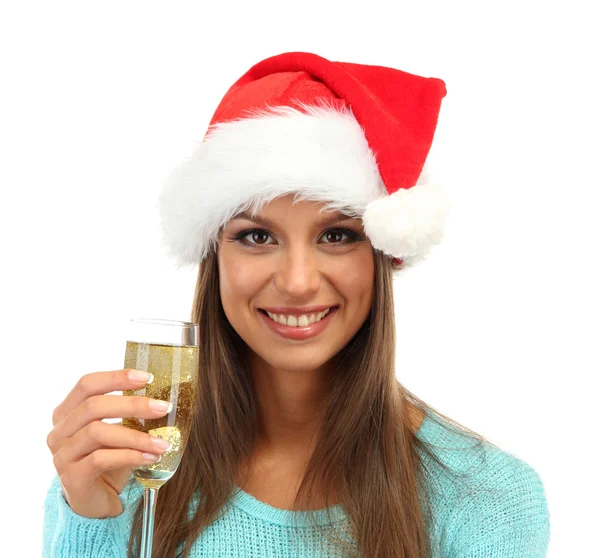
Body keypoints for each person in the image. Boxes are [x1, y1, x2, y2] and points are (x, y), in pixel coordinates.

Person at [43, 51, 550, 557]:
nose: (299, 282)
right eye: (257, 236)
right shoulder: (119, 475)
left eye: (336, 234)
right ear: (214, 256)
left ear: (380, 255)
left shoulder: (486, 501)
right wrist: (94, 523)